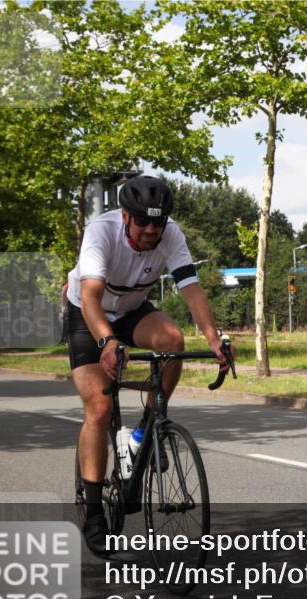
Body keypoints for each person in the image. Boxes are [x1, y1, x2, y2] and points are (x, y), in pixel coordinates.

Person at [65, 175, 228, 556]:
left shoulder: (170, 234)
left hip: (133, 310)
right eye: (143, 222)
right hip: (88, 314)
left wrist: (213, 338)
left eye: (159, 222)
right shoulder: (100, 231)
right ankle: (92, 512)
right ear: (125, 217)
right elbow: (89, 296)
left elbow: (191, 288)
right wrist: (107, 341)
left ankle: (145, 431)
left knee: (173, 341)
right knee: (100, 407)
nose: (152, 229)